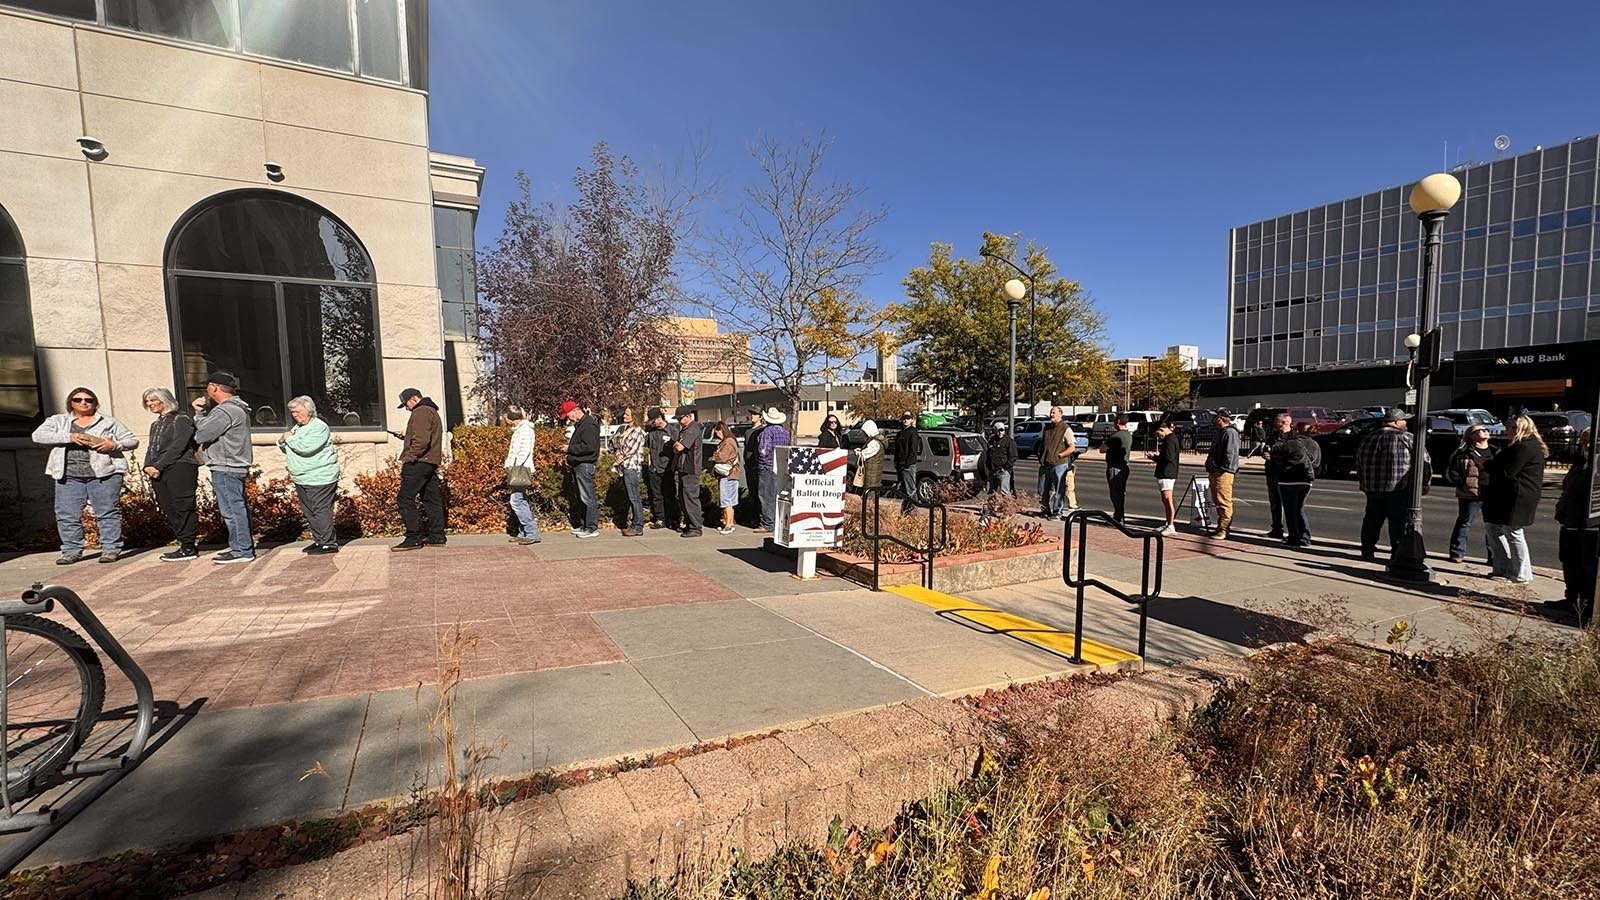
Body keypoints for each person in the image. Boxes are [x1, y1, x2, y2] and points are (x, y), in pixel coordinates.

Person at [32, 387, 138, 565]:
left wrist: (113, 444)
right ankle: (71, 551)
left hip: (104, 474)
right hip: (68, 476)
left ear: (95, 403)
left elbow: (132, 440)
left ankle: (111, 549)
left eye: (88, 400)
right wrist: (70, 437)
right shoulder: (59, 421)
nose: (83, 402)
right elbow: (38, 436)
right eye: (78, 399)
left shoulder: (108, 422)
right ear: (71, 403)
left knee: (107, 512)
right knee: (67, 514)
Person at [192, 372, 255, 563]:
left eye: (208, 387)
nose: (207, 390)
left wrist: (199, 413)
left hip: (226, 467)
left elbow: (202, 434)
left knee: (232, 510)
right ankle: (241, 547)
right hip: (233, 466)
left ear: (214, 387)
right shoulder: (238, 408)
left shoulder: (225, 411)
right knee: (236, 508)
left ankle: (242, 551)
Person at [1482, 415, 1547, 584]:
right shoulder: (1521, 445)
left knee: (1513, 532)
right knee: (1493, 528)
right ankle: (1502, 568)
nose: (1505, 431)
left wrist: (1488, 464)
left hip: (1518, 496)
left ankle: (1521, 573)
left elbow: (1507, 471)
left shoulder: (1524, 447)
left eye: (1509, 428)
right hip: (1507, 495)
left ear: (1519, 429)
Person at [140, 387, 199, 562]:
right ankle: (183, 543)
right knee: (168, 507)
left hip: (180, 468)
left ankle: (188, 546)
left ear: (164, 400)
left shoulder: (181, 419)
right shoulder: (156, 424)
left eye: (152, 400)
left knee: (183, 506)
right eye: (147, 401)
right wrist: (147, 466)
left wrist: (158, 465)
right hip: (159, 470)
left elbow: (179, 445)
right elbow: (152, 447)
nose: (149, 404)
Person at [278, 396, 341, 555]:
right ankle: (319, 540)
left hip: (320, 477)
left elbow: (306, 448)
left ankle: (328, 543)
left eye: (298, 412)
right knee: (310, 511)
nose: (295, 415)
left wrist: (289, 439)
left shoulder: (319, 427)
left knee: (321, 510)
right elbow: (289, 448)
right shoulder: (298, 428)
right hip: (302, 477)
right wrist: (283, 441)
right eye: (292, 413)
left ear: (309, 411)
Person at [1356, 407, 1414, 561]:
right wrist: (1425, 484)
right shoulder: (1406, 437)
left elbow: (1359, 463)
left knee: (1372, 520)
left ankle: (1367, 550)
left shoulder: (1368, 438)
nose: (1406, 422)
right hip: (1398, 487)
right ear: (1396, 422)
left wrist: (1363, 483)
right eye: (1403, 420)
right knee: (1397, 522)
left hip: (1372, 488)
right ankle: (1397, 552)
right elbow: (1424, 462)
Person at [392, 387, 446, 551]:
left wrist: (410, 458)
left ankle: (413, 538)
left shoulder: (420, 411)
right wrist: (406, 435)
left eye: (406, 404)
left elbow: (421, 441)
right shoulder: (431, 411)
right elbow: (423, 436)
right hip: (430, 462)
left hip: (419, 462)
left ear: (414, 398)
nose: (406, 408)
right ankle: (437, 536)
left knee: (405, 499)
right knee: (431, 499)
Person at [1554, 428, 1595, 621]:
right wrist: (1561, 507)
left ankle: (1586, 604)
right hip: (1570, 519)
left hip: (1590, 524)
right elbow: (1568, 487)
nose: (1585, 444)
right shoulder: (1580, 463)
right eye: (1584, 440)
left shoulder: (1595, 465)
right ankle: (1571, 598)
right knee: (1569, 559)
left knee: (1587, 564)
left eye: (1589, 440)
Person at [1445, 425, 1495, 563]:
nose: (1485, 431)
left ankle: (1494, 556)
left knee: (1492, 526)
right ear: (1471, 436)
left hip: (1491, 492)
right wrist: (1463, 484)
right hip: (1471, 494)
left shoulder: (1495, 451)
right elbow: (1452, 472)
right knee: (1465, 522)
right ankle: (1457, 553)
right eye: (1480, 430)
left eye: (1486, 429)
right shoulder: (1462, 452)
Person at [1274, 423, 1322, 548]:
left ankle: (1294, 537)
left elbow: (1277, 456)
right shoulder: (1315, 445)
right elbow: (1317, 464)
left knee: (1290, 510)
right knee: (1299, 509)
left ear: (1296, 431)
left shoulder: (1290, 443)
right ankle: (1305, 537)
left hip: (1288, 480)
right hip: (1305, 480)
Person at [560, 399, 601, 538]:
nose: (568, 418)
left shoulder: (588, 425)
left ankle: (591, 527)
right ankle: (584, 525)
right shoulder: (581, 425)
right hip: (579, 464)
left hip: (585, 465)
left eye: (568, 415)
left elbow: (590, 447)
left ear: (576, 411)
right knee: (582, 497)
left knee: (587, 497)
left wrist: (570, 448)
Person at [502, 405, 540, 545]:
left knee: (516, 501)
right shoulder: (521, 429)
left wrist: (515, 466)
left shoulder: (524, 430)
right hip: (519, 469)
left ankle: (531, 532)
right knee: (520, 500)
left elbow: (524, 450)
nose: (504, 420)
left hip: (520, 470)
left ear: (511, 417)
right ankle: (524, 532)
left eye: (505, 417)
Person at [1205, 408, 1240, 540]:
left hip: (1223, 472)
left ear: (1220, 418)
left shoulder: (1230, 433)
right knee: (1218, 500)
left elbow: (1230, 454)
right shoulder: (1220, 432)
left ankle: (1224, 529)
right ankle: (1220, 527)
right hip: (1216, 470)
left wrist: (1223, 469)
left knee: (1223, 501)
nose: (1213, 420)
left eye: (1215, 417)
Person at [612, 408, 647, 536]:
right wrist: (618, 454)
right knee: (631, 497)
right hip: (625, 467)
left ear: (635, 416)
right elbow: (618, 446)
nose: (624, 416)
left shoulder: (638, 432)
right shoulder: (626, 430)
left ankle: (638, 526)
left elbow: (630, 450)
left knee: (634, 497)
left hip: (632, 467)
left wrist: (620, 456)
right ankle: (633, 523)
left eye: (627, 414)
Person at [672, 406, 704, 537]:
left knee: (690, 498)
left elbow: (679, 447)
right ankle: (689, 523)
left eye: (681, 418)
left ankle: (696, 527)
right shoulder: (684, 430)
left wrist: (676, 445)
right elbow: (676, 448)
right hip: (682, 468)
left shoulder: (694, 428)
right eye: (678, 419)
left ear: (688, 416)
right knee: (683, 498)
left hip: (691, 468)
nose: (679, 421)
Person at [756, 408, 791, 527]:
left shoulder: (767, 432)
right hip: (781, 466)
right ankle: (778, 521)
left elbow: (763, 451)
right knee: (778, 495)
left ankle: (768, 523)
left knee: (766, 496)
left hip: (768, 467)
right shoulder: (785, 432)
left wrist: (762, 465)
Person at [644, 408, 678, 529]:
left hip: (667, 469)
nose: (653, 423)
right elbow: (648, 449)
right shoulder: (652, 433)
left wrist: (673, 467)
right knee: (656, 495)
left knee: (669, 495)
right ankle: (660, 519)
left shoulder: (672, 431)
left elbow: (677, 451)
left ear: (660, 417)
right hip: (654, 469)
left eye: (654, 420)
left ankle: (673, 519)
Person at [1038, 407, 1076, 517]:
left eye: (1054, 413)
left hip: (1059, 464)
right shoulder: (1047, 428)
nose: (1051, 414)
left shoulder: (1065, 428)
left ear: (1060, 414)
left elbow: (1072, 447)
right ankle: (1045, 510)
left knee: (1059, 490)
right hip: (1045, 464)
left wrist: (1060, 455)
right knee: (1042, 490)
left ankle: (1057, 512)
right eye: (1050, 412)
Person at [1262, 411, 1294, 540]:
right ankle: (1276, 528)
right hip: (1272, 472)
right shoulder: (1273, 435)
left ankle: (1293, 532)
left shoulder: (1293, 437)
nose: (1274, 424)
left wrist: (1276, 457)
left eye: (1276, 421)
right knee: (1274, 503)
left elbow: (1293, 455)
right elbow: (1266, 448)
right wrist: (1265, 454)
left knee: (1288, 504)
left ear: (1285, 422)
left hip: (1286, 474)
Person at [1099, 415, 1133, 524]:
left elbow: (1102, 449)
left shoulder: (1115, 436)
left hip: (1115, 466)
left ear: (1118, 422)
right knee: (1121, 492)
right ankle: (1119, 515)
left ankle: (1118, 517)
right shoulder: (1128, 435)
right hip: (1124, 466)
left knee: (1115, 493)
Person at [1148, 420, 1181, 533]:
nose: (1158, 437)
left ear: (1161, 430)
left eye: (1158, 434)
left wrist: (1155, 458)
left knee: (1168, 499)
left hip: (1167, 472)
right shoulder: (1169, 439)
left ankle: (1171, 525)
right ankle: (1168, 523)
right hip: (1165, 472)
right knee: (1165, 499)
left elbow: (1169, 457)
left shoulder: (1170, 440)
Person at [711, 421, 741, 534]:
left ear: (721, 430)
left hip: (728, 475)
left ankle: (728, 525)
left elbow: (722, 457)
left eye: (717, 432)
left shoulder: (728, 442)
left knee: (726, 500)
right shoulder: (730, 441)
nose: (716, 435)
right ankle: (730, 522)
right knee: (730, 500)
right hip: (732, 474)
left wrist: (714, 456)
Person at [742, 406, 766, 527]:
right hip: (749, 466)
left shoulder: (762, 431)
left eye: (755, 414)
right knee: (752, 494)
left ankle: (762, 519)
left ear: (761, 417)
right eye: (751, 414)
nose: (752, 416)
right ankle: (754, 518)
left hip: (758, 466)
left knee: (760, 493)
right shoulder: (748, 431)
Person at [893, 411, 921, 513]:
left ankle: (913, 512)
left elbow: (913, 451)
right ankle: (905, 510)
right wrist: (896, 462)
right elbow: (897, 449)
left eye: (908, 418)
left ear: (912, 420)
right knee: (903, 490)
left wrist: (907, 464)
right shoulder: (900, 433)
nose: (906, 420)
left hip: (908, 466)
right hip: (900, 465)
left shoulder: (913, 433)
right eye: (904, 418)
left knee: (910, 490)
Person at [987, 421, 1017, 496]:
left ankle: (1007, 506)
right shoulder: (992, 440)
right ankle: (992, 506)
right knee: (992, 492)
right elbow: (988, 454)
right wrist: (989, 467)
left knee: (1005, 491)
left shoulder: (1009, 441)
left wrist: (1005, 468)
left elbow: (1013, 456)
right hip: (993, 470)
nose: (1000, 432)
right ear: (995, 430)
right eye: (998, 430)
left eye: (1002, 430)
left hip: (1003, 471)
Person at [856, 419, 886, 494]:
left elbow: (865, 454)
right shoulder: (878, 441)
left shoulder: (874, 443)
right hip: (875, 472)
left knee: (869, 494)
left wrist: (858, 452)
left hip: (871, 474)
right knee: (873, 492)